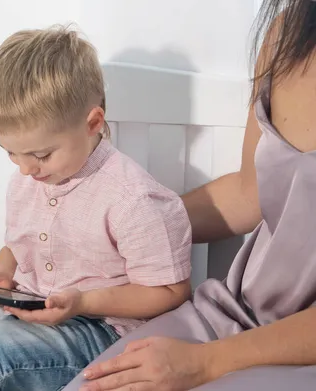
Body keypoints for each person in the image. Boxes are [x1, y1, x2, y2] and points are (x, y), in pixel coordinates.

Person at [0, 25, 194, 391]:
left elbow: (169, 293)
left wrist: (83, 302)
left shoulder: (131, 199)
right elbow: (19, 243)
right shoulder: (28, 180)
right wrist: (2, 274)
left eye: (40, 154)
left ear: (93, 123)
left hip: (106, 333)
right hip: (33, 319)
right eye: (10, 152)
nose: (25, 168)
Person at [63, 1, 316, 390]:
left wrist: (204, 363)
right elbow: (249, 193)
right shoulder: (289, 31)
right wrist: (128, 229)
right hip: (233, 315)